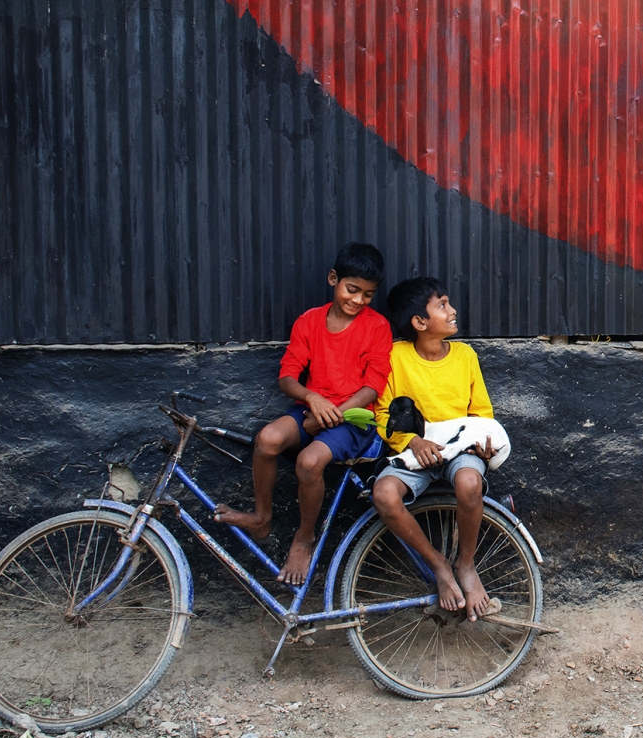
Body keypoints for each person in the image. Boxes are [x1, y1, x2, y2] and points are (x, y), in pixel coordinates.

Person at [213, 243, 392, 585]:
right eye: (352, 289)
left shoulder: (377, 327)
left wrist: (331, 414)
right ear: (333, 279)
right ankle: (261, 517)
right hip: (310, 408)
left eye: (368, 295)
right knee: (267, 439)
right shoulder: (309, 321)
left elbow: (373, 387)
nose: (358, 300)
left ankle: (304, 537)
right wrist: (312, 399)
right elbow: (287, 377)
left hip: (354, 420)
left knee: (309, 462)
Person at [371, 277, 498, 621]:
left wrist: (485, 444)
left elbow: (481, 414)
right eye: (442, 305)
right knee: (384, 494)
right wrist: (412, 441)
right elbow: (381, 414)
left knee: (469, 483)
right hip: (414, 452)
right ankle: (439, 565)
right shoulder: (396, 357)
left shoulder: (465, 356)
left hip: (461, 450)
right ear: (419, 322)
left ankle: (466, 565)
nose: (452, 310)